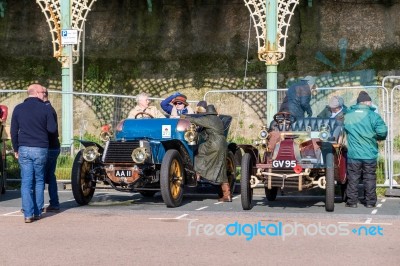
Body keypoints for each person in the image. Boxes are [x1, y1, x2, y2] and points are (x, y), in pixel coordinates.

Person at [11, 84, 57, 223]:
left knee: (26, 182)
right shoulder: (45, 108)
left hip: (24, 148)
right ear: (36, 93)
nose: (44, 94)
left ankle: (28, 214)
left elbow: (14, 131)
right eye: (43, 92)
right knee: (39, 180)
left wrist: (16, 149)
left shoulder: (18, 108)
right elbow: (52, 129)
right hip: (40, 148)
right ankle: (37, 212)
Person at [344, 91, 387, 208]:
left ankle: (352, 202)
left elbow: (342, 130)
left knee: (353, 178)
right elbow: (382, 132)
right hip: (369, 153)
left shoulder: (348, 115)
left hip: (354, 154)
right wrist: (376, 137)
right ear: (367, 102)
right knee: (369, 177)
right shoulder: (374, 116)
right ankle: (370, 202)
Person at [184, 105, 231, 202]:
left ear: (208, 114)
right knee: (221, 168)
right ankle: (227, 195)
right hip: (223, 143)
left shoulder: (209, 119)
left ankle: (198, 173)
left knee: (199, 153)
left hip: (214, 143)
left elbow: (196, 121)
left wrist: (185, 117)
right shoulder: (218, 120)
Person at [42, 87, 61, 213]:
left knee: (39, 176)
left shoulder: (46, 109)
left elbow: (51, 130)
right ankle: (54, 202)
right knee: (50, 176)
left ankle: (34, 205)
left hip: (48, 146)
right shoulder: (51, 109)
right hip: (54, 146)